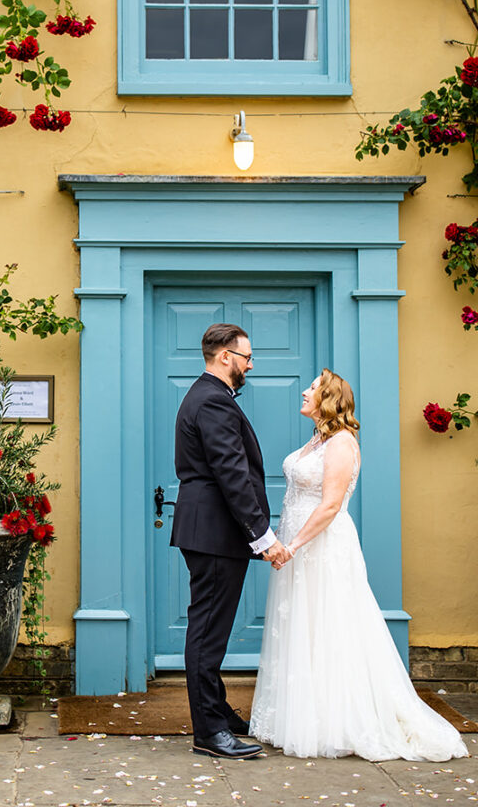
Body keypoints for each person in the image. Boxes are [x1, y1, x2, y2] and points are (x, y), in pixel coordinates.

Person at [249, 368, 467, 761]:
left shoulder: (342, 443)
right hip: (299, 548)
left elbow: (331, 504)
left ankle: (340, 722)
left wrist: (293, 545)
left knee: (333, 627)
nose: (304, 391)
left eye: (312, 388)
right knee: (305, 627)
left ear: (329, 399)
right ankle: (305, 717)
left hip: (322, 547)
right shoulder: (317, 441)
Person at [172, 323, 291, 760]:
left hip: (210, 530)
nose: (250, 365)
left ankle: (216, 711)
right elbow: (232, 475)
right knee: (207, 633)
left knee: (210, 629)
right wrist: (263, 536)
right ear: (225, 356)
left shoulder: (208, 397)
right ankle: (209, 731)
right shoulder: (212, 401)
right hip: (215, 532)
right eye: (246, 357)